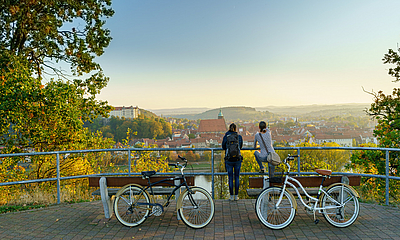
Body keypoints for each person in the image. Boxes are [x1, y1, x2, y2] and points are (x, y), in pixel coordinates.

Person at [222, 123, 243, 201]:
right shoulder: (239, 137)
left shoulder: (226, 137)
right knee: (237, 177)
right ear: (236, 129)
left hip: (229, 160)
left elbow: (223, 146)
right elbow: (240, 147)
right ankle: (236, 196)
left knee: (230, 178)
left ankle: (231, 196)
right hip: (237, 159)